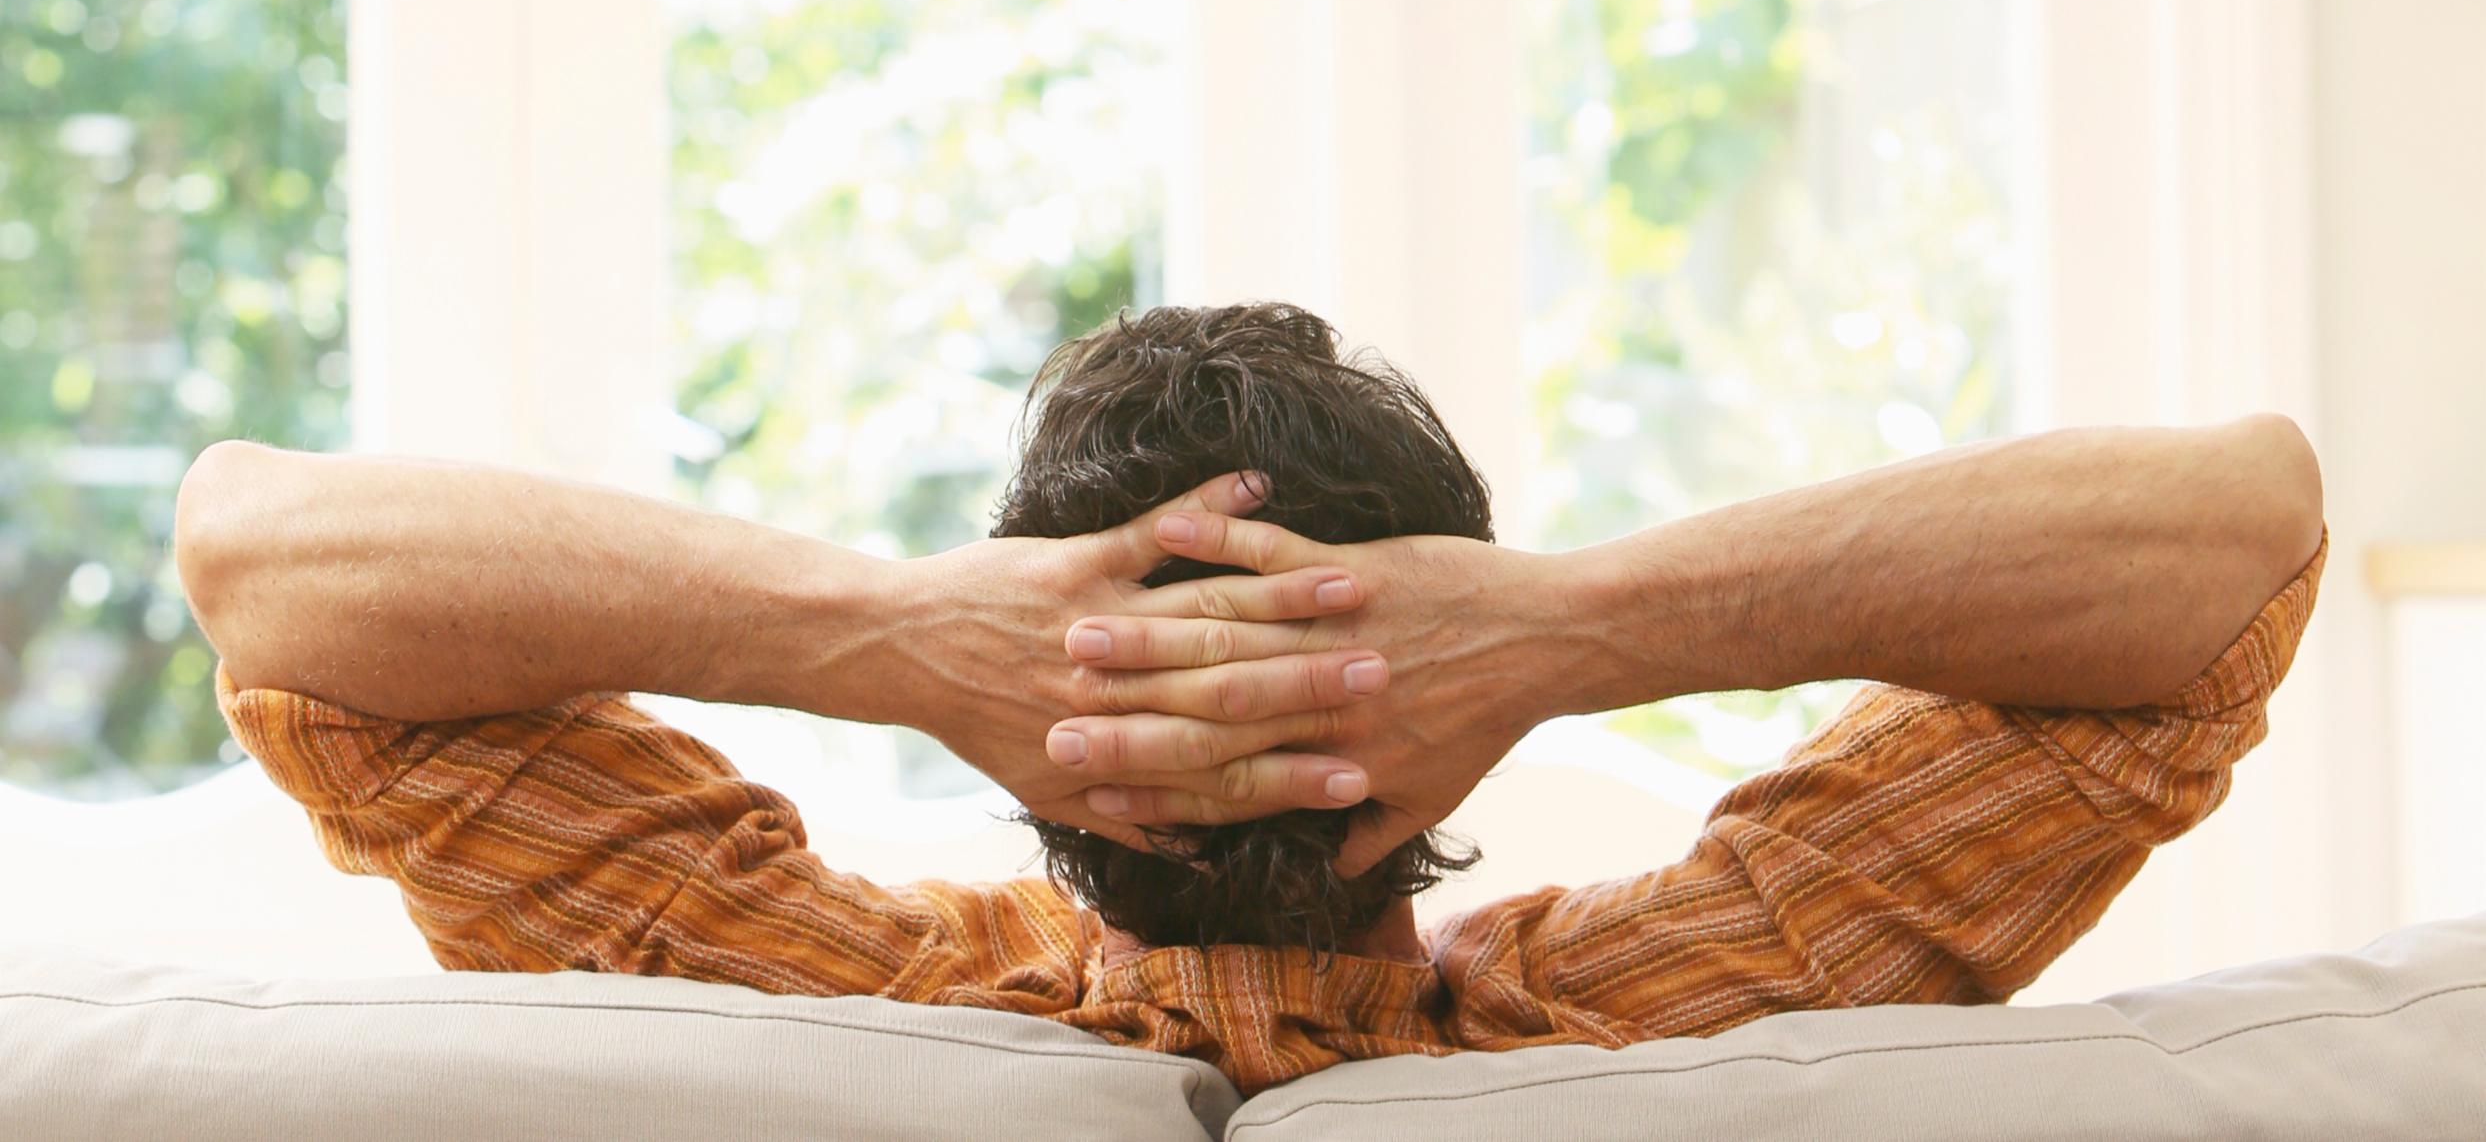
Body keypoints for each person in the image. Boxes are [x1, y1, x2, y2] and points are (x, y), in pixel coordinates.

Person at [177, 302, 2327, 1096]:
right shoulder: (1705, 1000)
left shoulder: (801, 998)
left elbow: (258, 564)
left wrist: (880, 630)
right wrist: (1580, 627)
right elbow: (2239, 533)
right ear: (1452, 698)